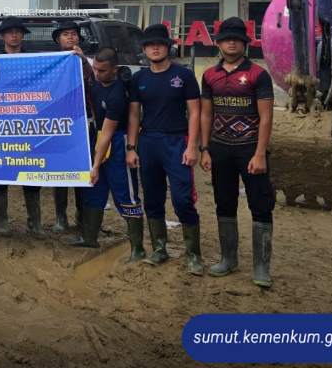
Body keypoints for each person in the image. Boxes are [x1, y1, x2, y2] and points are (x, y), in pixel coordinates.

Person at [200, 17, 275, 287]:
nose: (232, 42)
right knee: (224, 203)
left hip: (250, 149)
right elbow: (206, 115)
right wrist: (205, 149)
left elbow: (266, 118)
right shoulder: (209, 75)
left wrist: (259, 154)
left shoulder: (258, 75)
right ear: (218, 43)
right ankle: (228, 258)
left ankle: (261, 267)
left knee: (261, 204)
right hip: (219, 149)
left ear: (245, 43)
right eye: (226, 38)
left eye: (237, 38)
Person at [127, 23, 203, 275]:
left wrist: (193, 146)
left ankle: (193, 254)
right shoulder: (139, 79)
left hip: (177, 141)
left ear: (168, 47)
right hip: (148, 143)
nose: (155, 48)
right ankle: (160, 249)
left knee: (183, 199)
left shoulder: (184, 75)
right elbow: (135, 116)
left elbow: (195, 112)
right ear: (144, 50)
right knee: (153, 198)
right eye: (150, 45)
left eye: (160, 44)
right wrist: (131, 147)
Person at [69, 48, 146, 261]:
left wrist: (95, 166)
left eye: (102, 71)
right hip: (100, 137)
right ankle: (89, 236)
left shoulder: (117, 94)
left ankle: (137, 249)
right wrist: (84, 59)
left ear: (115, 69)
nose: (97, 73)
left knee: (125, 192)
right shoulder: (95, 80)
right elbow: (86, 73)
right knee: (94, 188)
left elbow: (108, 133)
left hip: (117, 141)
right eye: (95, 69)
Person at [0, 17, 45, 238]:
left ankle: (35, 221)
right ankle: (1, 220)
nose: (14, 35)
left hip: (27, 127)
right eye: (9, 32)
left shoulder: (35, 61)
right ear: (2, 36)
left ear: (22, 35)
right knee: (0, 173)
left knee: (31, 173)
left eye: (18, 32)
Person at [50, 20, 94, 235]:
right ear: (58, 39)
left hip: (83, 123)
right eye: (65, 34)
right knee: (61, 170)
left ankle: (81, 213)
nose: (70, 37)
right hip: (58, 124)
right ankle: (60, 215)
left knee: (82, 171)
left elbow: (91, 75)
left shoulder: (89, 61)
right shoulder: (51, 62)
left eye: (74, 34)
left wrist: (83, 60)